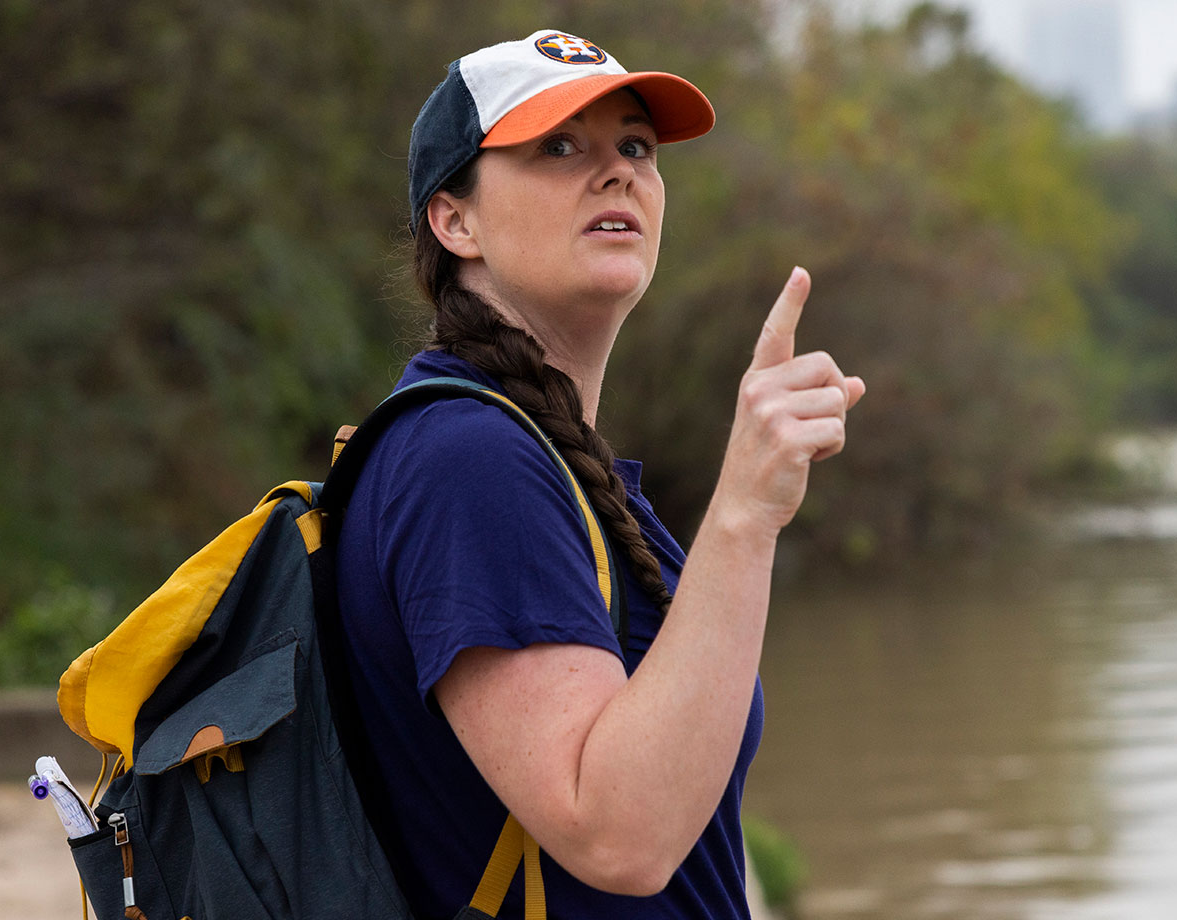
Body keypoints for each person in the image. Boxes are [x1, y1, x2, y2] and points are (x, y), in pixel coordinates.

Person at [334, 29, 865, 918]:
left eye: (635, 148)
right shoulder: (468, 461)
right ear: (453, 219)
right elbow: (618, 834)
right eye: (557, 146)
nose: (616, 171)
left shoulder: (548, 461)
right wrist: (744, 513)